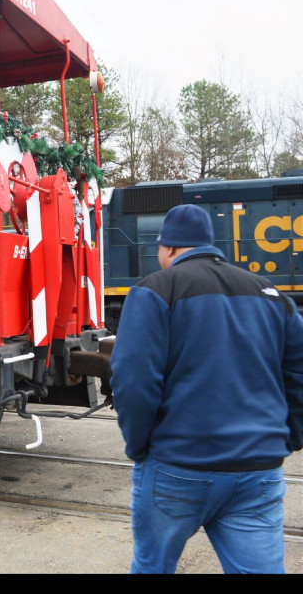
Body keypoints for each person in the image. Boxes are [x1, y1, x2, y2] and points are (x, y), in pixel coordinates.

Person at [109, 203, 303, 574]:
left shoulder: (153, 291)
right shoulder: (270, 294)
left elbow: (134, 381)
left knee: (153, 567)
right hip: (258, 469)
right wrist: (290, 436)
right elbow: (298, 372)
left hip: (178, 466)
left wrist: (138, 446)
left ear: (167, 248)